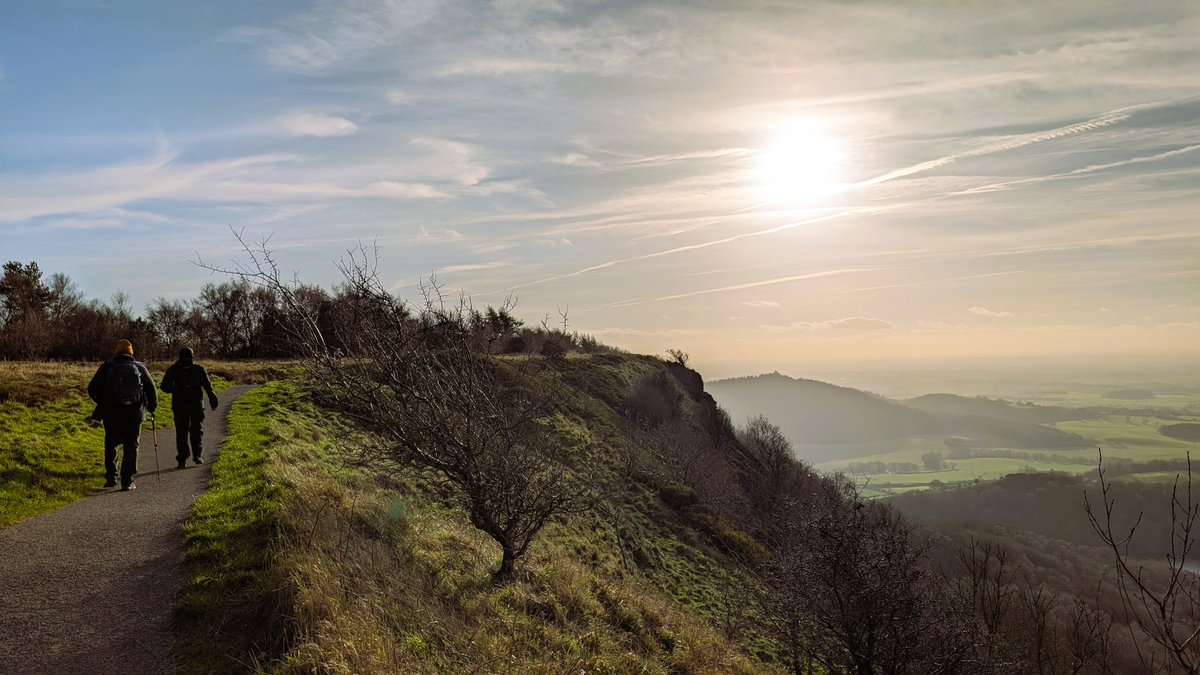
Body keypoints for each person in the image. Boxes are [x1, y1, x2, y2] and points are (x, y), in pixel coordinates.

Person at [87, 339, 158, 491]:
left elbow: (91, 388)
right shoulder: (139, 368)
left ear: (116, 352)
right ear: (131, 353)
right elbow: (152, 392)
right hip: (134, 414)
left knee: (111, 443)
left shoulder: (106, 367)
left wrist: (101, 402)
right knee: (131, 445)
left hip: (111, 413)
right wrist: (151, 408)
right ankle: (127, 480)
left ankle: (111, 477)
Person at [159, 347, 218, 469]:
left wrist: (175, 390)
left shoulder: (173, 369)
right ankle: (197, 455)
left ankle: (182, 459)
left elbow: (164, 387)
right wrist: (212, 398)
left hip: (179, 405)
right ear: (192, 357)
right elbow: (207, 386)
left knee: (181, 433)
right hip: (196, 404)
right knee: (197, 430)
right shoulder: (199, 369)